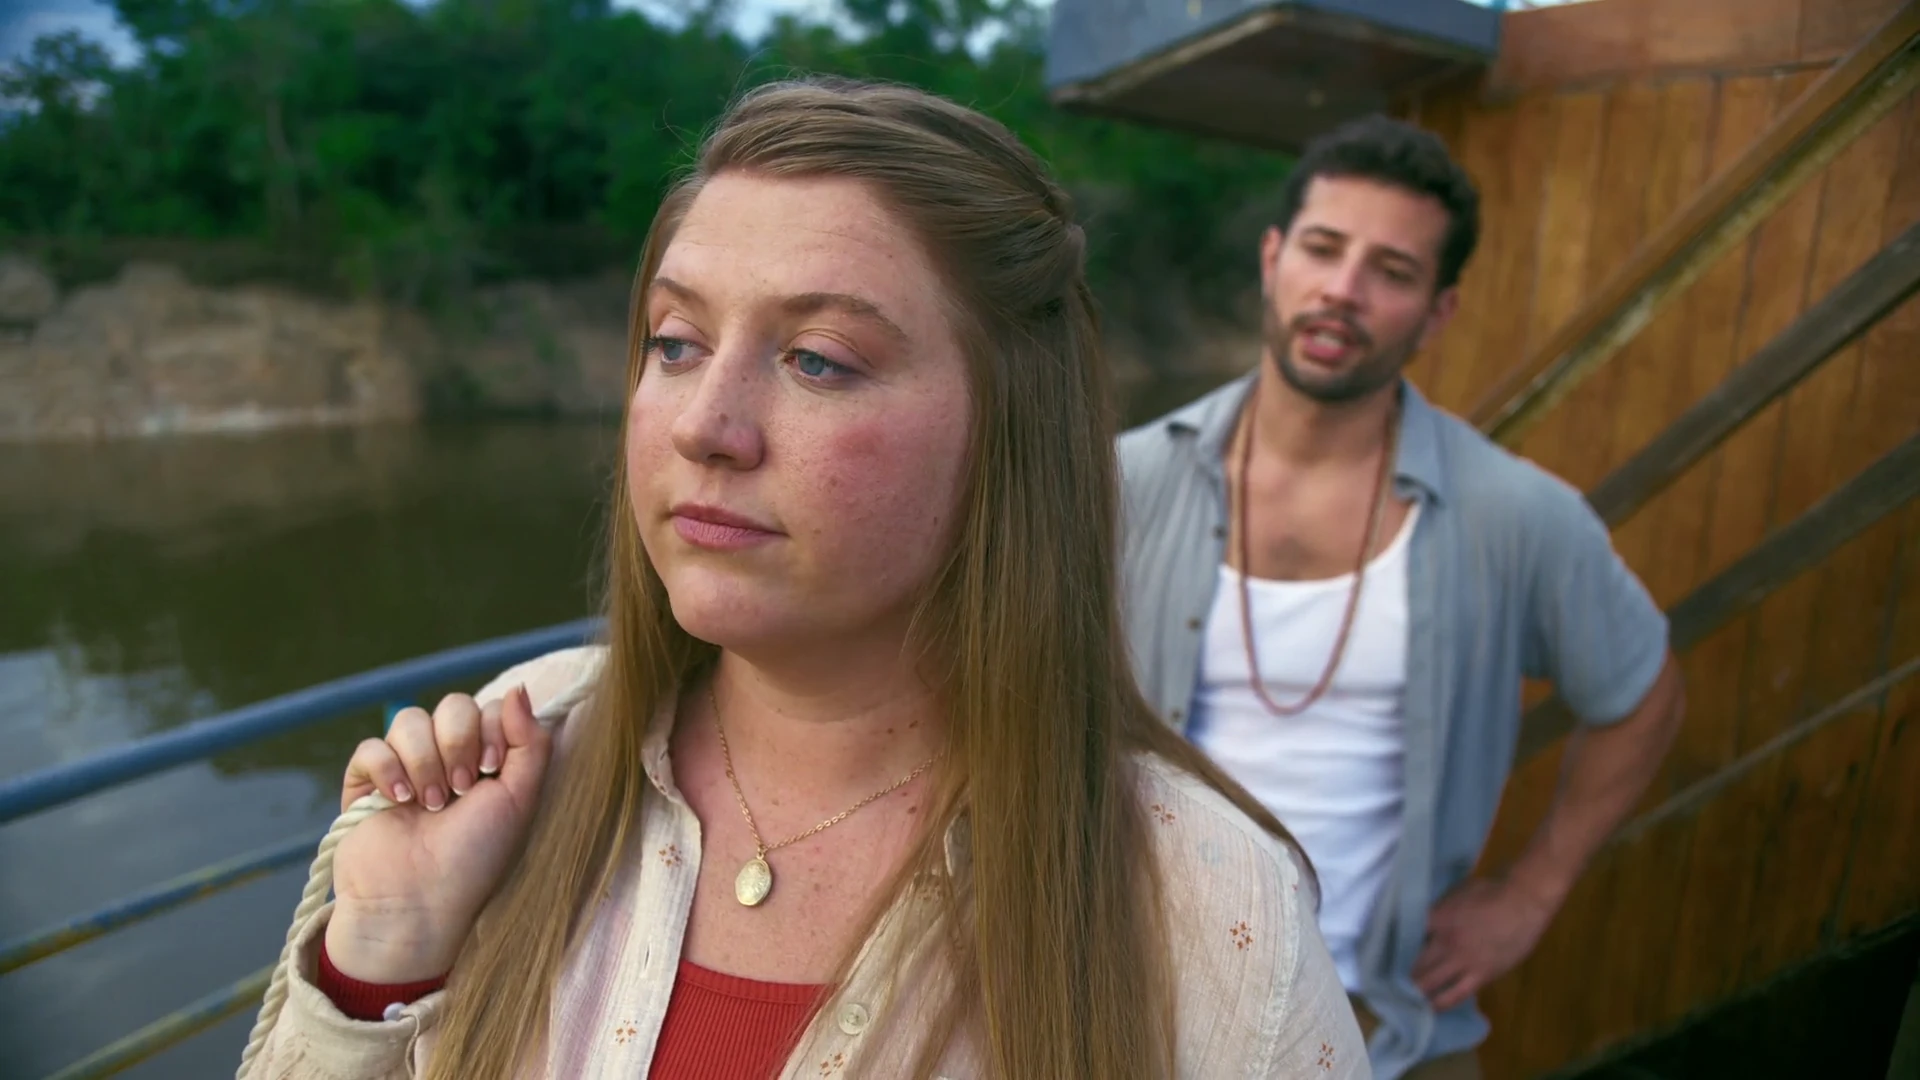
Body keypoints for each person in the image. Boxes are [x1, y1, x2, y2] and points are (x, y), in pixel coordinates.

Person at [239, 77, 1370, 1080]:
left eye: (817, 360)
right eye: (675, 343)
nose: (706, 425)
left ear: (1011, 430)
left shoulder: (1211, 910)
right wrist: (380, 966)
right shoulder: (505, 757)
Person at [1116, 115, 1687, 1080]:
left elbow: (1645, 695)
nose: (1343, 290)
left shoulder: (1513, 514)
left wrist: (1533, 894)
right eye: (1323, 248)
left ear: (1437, 312)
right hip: (1132, 1016)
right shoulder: (1123, 484)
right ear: (1273, 258)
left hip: (1385, 1038)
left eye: (1391, 270)